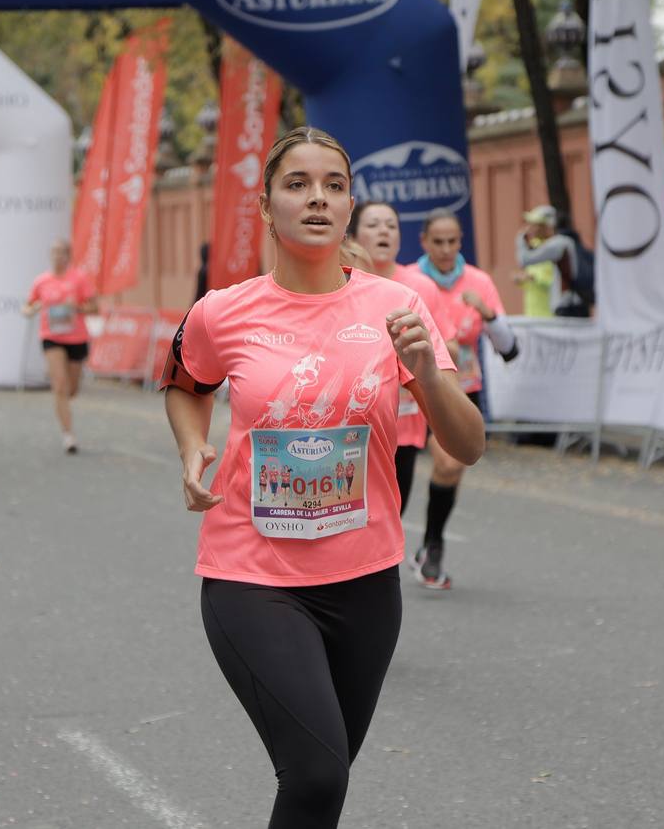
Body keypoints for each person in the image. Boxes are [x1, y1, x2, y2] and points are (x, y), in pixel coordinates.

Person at [161, 126, 484, 828]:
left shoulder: (395, 310)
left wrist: (427, 372)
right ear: (266, 204)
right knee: (313, 774)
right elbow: (186, 381)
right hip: (253, 577)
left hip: (366, 581)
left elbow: (469, 442)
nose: (318, 200)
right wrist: (192, 447)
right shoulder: (224, 311)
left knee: (323, 782)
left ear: (349, 206)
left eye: (334, 186)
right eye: (298, 184)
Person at [407, 207, 515, 590]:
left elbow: (509, 348)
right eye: (438, 241)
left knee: (450, 466)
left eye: (453, 241)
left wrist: (487, 313)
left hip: (459, 388)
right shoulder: (410, 282)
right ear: (423, 242)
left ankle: (432, 544)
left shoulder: (479, 282)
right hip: (410, 389)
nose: (446, 249)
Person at [348, 200, 466, 515]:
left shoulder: (418, 288)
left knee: (390, 517)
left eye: (391, 225)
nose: (383, 231)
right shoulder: (338, 284)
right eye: (373, 225)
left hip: (405, 420)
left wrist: (420, 349)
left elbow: (450, 350)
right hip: (352, 421)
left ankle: (428, 546)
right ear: (354, 234)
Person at [23, 239, 99, 454]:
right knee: (59, 384)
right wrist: (30, 310)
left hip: (76, 338)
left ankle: (65, 400)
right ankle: (68, 435)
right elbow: (27, 306)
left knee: (71, 389)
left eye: (62, 253)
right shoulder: (41, 282)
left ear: (68, 256)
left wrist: (78, 307)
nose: (58, 257)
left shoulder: (79, 279)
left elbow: (95, 307)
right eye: (55, 253)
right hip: (51, 337)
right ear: (50, 256)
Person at [516, 204, 590, 317]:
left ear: (547, 226)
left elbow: (524, 259)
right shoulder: (567, 241)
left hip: (568, 307)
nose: (531, 229)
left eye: (536, 225)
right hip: (574, 305)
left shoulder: (557, 244)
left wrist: (521, 238)